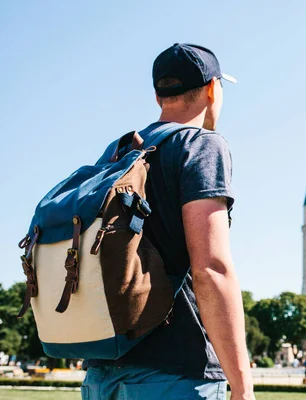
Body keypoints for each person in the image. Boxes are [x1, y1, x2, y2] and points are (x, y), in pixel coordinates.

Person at [81, 43, 254, 400]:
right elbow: (212, 269)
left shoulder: (118, 153)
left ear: (159, 95)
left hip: (103, 374)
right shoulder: (201, 145)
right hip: (176, 372)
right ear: (212, 89)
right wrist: (243, 386)